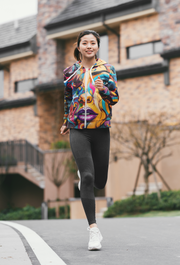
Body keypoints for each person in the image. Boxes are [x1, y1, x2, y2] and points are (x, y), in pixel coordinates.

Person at [60, 30, 119, 250]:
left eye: (92, 43)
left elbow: (115, 99)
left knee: (99, 181)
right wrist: (66, 120)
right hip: (78, 129)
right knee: (87, 176)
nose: (88, 46)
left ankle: (88, 177)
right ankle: (93, 230)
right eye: (84, 43)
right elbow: (67, 98)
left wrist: (106, 90)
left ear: (97, 46)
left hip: (101, 128)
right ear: (78, 46)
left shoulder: (107, 69)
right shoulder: (69, 71)